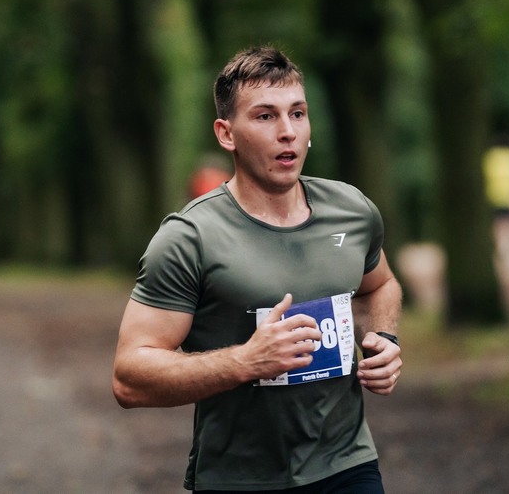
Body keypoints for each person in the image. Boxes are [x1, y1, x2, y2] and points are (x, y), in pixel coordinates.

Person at [112, 46, 403, 492]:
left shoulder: (352, 210)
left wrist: (382, 338)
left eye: (298, 113)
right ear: (226, 134)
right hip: (240, 479)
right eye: (266, 116)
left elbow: (379, 286)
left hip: (347, 464)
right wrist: (246, 361)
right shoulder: (190, 237)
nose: (288, 132)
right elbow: (129, 378)